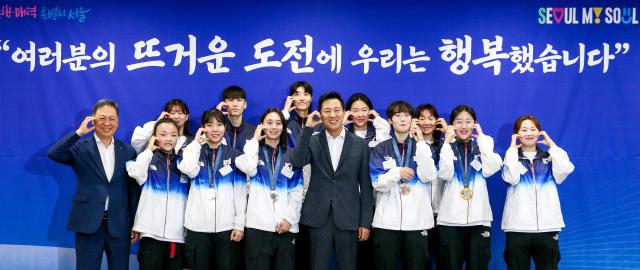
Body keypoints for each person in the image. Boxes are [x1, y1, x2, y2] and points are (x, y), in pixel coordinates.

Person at [47, 99, 139, 270]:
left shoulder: (127, 150)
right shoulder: (80, 146)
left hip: (119, 224)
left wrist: (136, 223)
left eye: (112, 118)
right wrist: (79, 133)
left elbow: (132, 190)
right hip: (88, 222)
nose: (107, 123)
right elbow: (54, 153)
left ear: (118, 121)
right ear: (93, 119)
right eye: (102, 118)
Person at [291, 91, 374, 270]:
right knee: (318, 265)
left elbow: (366, 186)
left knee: (348, 265)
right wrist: (307, 129)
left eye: (337, 110)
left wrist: (365, 222)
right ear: (320, 114)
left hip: (349, 216)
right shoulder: (313, 140)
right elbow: (297, 162)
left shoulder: (360, 145)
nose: (332, 115)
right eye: (327, 111)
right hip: (318, 216)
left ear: (344, 112)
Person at [369, 101, 437, 270]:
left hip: (417, 223)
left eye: (406, 115)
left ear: (412, 119)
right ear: (390, 120)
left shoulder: (423, 148)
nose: (403, 119)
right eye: (398, 115)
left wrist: (421, 141)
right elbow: (377, 183)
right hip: (386, 224)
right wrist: (396, 173)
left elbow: (430, 175)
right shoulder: (380, 149)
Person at [501, 115, 574, 270]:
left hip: (548, 227)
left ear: (540, 132)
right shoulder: (510, 157)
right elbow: (511, 178)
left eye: (533, 129)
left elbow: (566, 169)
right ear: (516, 134)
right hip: (517, 228)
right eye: (524, 129)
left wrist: (552, 145)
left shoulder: (549, 157)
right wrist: (512, 150)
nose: (529, 133)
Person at [177, 109, 247, 270]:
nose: (215, 129)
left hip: (227, 228)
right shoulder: (193, 151)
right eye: (210, 125)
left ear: (225, 127)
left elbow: (240, 193)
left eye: (219, 125)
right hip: (197, 227)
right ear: (203, 128)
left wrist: (239, 225)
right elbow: (188, 169)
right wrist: (195, 143)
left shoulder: (235, 155)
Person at [236, 108, 305, 270]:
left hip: (285, 226)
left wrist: (289, 219)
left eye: (278, 123)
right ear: (261, 126)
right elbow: (248, 167)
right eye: (269, 123)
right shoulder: (252, 153)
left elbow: (297, 190)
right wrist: (254, 141)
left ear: (283, 127)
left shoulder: (291, 155)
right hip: (257, 226)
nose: (274, 127)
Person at [436, 104, 502, 270]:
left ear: (475, 123)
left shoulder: (482, 147)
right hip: (450, 221)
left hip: (479, 220)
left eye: (468, 121)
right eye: (459, 122)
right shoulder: (444, 149)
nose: (464, 126)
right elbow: (445, 173)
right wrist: (447, 142)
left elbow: (492, 168)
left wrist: (483, 139)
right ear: (451, 125)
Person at [126, 118, 189, 270]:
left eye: (173, 135)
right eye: (163, 134)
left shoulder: (185, 163)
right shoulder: (146, 159)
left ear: (178, 138)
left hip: (177, 235)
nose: (169, 139)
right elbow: (134, 172)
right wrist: (148, 150)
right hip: (150, 234)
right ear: (155, 137)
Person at [414, 103, 447, 270]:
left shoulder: (445, 146)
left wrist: (449, 135)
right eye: (421, 118)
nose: (426, 122)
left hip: (443, 212)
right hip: (417, 212)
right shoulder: (409, 146)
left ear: (437, 121)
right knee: (420, 260)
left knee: (444, 258)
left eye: (430, 118)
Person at [216, 85, 257, 152]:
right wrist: (216, 117)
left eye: (239, 100)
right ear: (224, 104)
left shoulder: (254, 132)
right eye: (231, 100)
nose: (235, 104)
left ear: (245, 104)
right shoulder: (215, 130)